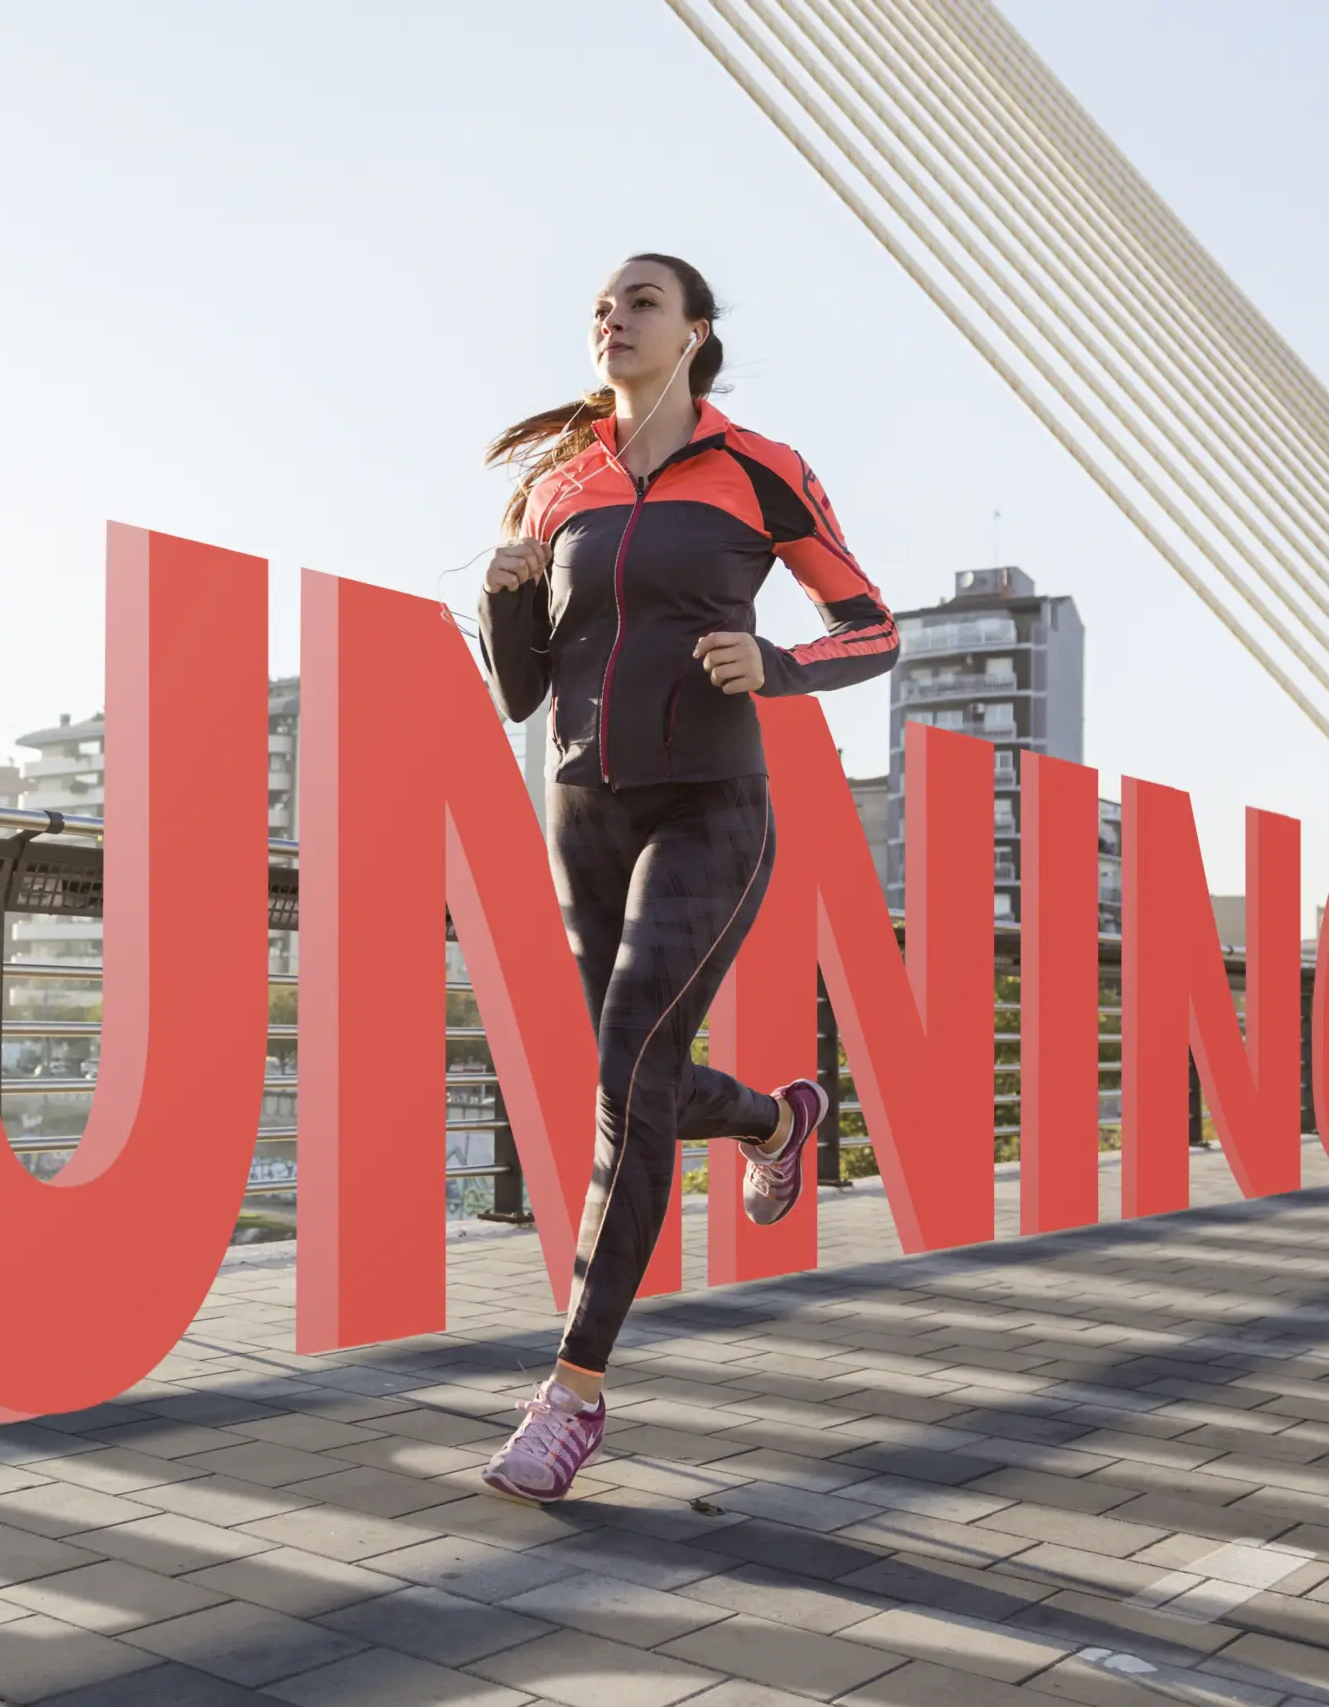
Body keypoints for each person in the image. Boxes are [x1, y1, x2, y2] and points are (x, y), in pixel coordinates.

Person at [474, 253, 899, 1503]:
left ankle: (572, 1394)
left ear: (694, 332)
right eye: (601, 305)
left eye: (640, 301)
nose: (613, 317)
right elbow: (522, 690)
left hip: (713, 804)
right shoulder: (557, 490)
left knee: (623, 1071)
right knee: (637, 1069)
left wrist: (776, 665)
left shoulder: (758, 466)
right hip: (582, 811)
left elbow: (869, 625)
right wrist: (502, 603)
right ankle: (776, 1121)